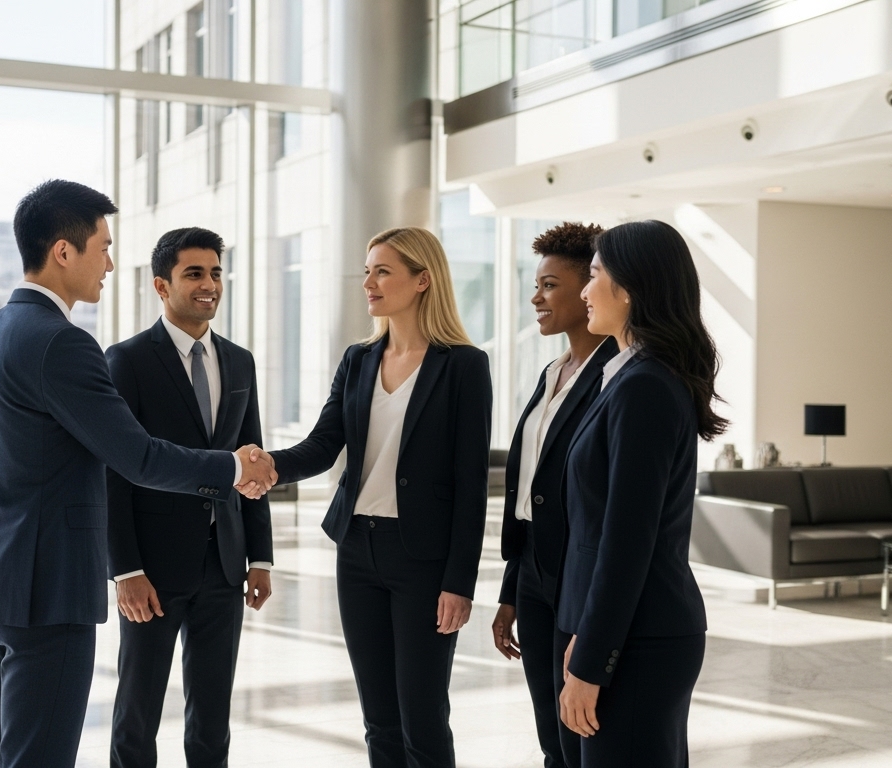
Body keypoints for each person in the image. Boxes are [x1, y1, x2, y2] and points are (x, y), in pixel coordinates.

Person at [0, 180, 276, 768]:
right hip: (50, 592)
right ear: (63, 252)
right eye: (102, 247)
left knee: (0, 753)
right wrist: (233, 466)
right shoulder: (63, 343)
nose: (109, 262)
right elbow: (138, 457)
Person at [255, 227, 491, 768]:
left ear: (422, 280)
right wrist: (269, 466)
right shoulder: (359, 360)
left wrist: (460, 582)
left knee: (423, 716)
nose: (368, 282)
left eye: (382, 271)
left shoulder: (463, 366)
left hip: (423, 561)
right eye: (367, 270)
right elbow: (322, 444)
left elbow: (471, 482)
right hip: (357, 550)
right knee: (379, 719)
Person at [105, 227, 275, 768]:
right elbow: (115, 472)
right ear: (162, 285)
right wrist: (125, 569)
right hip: (153, 569)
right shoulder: (127, 361)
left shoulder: (240, 361)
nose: (210, 285)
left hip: (224, 564)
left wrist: (261, 555)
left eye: (217, 272)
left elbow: (252, 462)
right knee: (138, 708)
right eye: (194, 273)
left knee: (213, 712)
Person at [556, 220, 723, 767]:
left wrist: (592, 661)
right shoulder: (625, 376)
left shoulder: (646, 386)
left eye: (595, 274)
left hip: (638, 639)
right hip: (620, 632)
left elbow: (627, 541)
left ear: (629, 289)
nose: (584, 290)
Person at [490, 223, 616, 768]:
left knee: (579, 730)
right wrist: (511, 591)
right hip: (537, 568)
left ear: (589, 287)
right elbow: (529, 493)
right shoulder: (550, 372)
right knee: (548, 727)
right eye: (534, 285)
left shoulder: (615, 374)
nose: (536, 298)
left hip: (579, 569)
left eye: (550, 285)